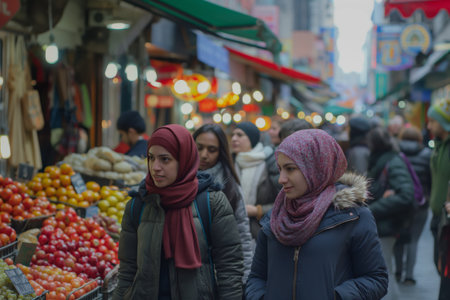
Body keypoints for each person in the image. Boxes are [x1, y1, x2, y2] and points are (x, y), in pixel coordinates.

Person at [246, 129, 388, 300]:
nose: (281, 178)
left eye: (290, 169)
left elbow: (376, 279)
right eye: (280, 169)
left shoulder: (353, 216)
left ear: (315, 168)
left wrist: (336, 296)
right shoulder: (275, 216)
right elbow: (257, 277)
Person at [113, 124, 243, 300]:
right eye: (151, 158)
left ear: (184, 160)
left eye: (165, 159)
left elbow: (229, 267)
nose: (155, 167)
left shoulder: (211, 202)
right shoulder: (138, 205)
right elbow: (127, 269)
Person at [193, 124, 253, 282]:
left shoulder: (230, 186)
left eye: (211, 150)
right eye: (199, 147)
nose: (204, 155)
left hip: (220, 276)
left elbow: (243, 236)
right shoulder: (177, 180)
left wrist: (245, 279)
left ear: (221, 153)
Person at [366, 126, 415, 300]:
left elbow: (406, 195)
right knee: (385, 271)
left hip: (387, 225)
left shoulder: (391, 162)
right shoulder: (382, 160)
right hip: (384, 224)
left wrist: (372, 209)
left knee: (384, 273)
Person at [393, 126, 432, 285]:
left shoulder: (396, 153)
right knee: (414, 239)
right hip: (421, 203)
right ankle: (409, 276)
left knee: (398, 238)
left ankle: (397, 271)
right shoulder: (427, 155)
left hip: (400, 202)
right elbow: (431, 180)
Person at [231, 122, 281, 239]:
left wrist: (258, 210)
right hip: (234, 229)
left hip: (262, 231)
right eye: (233, 135)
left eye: (239, 135)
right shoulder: (230, 162)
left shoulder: (269, 163)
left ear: (252, 138)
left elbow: (283, 201)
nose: (234, 138)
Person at [427, 98, 450, 299]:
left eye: (432, 121)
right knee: (440, 266)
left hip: (448, 221)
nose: (429, 125)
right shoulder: (439, 145)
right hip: (438, 218)